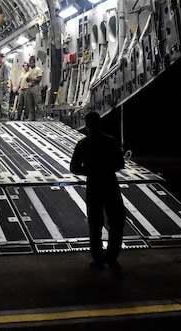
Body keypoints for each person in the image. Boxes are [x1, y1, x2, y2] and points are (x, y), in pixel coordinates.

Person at [69, 111, 126, 271]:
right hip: (110, 183)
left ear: (87, 126)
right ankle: (112, 255)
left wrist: (90, 170)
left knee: (95, 222)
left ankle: (97, 257)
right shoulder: (111, 142)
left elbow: (74, 168)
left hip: (94, 184)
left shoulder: (83, 144)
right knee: (116, 220)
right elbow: (120, 164)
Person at [25, 56, 44, 120]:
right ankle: (31, 117)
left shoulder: (38, 69)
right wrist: (27, 79)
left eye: (32, 63)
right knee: (30, 104)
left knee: (38, 103)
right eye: (30, 63)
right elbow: (29, 79)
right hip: (30, 87)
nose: (30, 64)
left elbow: (39, 79)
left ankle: (40, 117)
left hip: (36, 87)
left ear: (34, 63)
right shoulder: (30, 71)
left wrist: (32, 79)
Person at [0, 53, 12, 121]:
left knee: (4, 100)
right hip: (1, 86)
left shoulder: (6, 65)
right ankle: (2, 114)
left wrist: (7, 85)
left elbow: (7, 76)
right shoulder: (2, 66)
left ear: (1, 58)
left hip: (4, 86)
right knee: (2, 101)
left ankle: (5, 115)